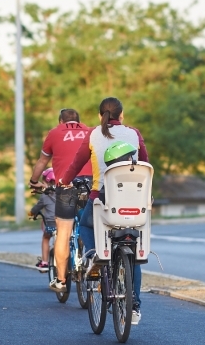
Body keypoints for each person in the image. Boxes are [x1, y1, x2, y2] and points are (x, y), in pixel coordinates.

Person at [60, 97, 148, 325]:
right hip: (133, 201)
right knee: (133, 249)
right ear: (122, 114)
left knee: (86, 224)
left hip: (101, 198)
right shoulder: (134, 134)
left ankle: (92, 255)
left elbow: (77, 164)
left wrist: (64, 181)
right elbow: (145, 164)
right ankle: (135, 306)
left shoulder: (93, 134)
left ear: (101, 116)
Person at [28, 109, 93, 292]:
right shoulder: (90, 131)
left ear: (60, 121)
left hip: (66, 185)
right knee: (92, 224)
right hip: (89, 184)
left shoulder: (54, 133)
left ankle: (61, 281)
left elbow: (42, 162)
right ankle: (96, 265)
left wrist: (34, 181)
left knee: (63, 233)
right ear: (79, 121)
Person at [29, 168, 56, 272]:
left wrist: (31, 213)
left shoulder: (44, 196)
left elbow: (36, 208)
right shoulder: (63, 194)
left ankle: (44, 262)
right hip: (64, 222)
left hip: (50, 224)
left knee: (46, 238)